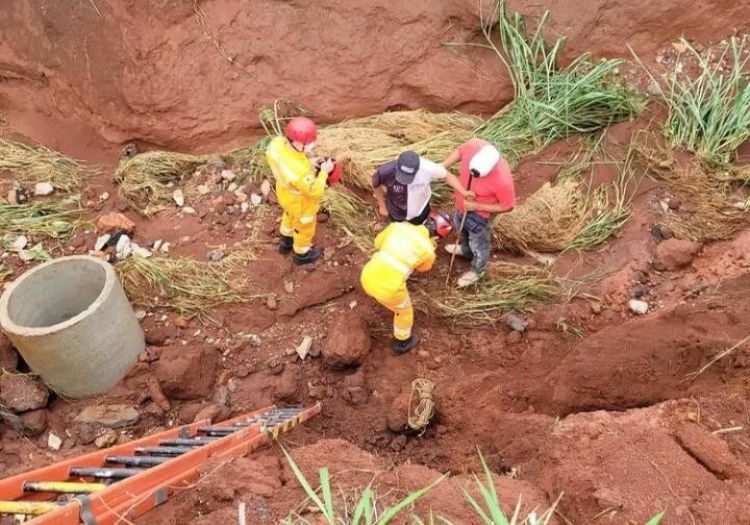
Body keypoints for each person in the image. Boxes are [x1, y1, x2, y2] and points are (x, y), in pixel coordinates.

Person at [360, 212, 453, 355]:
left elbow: (377, 243)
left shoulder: (398, 226)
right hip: (388, 290)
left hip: (367, 276)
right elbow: (423, 268)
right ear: (437, 236)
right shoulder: (428, 250)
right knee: (405, 312)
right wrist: (430, 247)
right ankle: (402, 342)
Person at [265, 116, 339, 265]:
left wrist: (307, 163)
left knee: (289, 215)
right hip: (301, 204)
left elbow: (290, 161)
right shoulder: (300, 173)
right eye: (309, 143)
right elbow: (315, 190)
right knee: (304, 227)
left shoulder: (277, 144)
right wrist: (324, 172)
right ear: (298, 143)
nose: (312, 145)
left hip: (285, 194)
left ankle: (286, 240)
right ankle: (302, 253)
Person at [442, 139, 516, 287]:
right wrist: (442, 166)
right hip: (461, 205)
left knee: (478, 242)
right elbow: (461, 150)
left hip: (481, 216)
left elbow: (508, 206)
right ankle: (465, 250)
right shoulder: (475, 146)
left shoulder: (503, 180)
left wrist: (476, 205)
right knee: (461, 227)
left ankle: (477, 270)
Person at [372, 150, 473, 225]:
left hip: (420, 210)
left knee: (418, 228)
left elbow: (447, 176)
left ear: (417, 169)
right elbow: (376, 185)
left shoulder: (427, 168)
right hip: (395, 212)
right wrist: (382, 205)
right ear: (397, 166)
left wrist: (463, 192)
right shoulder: (385, 171)